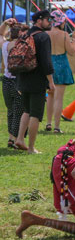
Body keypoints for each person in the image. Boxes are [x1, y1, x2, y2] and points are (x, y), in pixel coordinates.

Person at [14, 9, 55, 154]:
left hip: (23, 78)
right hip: (37, 80)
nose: (50, 22)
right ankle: (31, 148)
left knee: (26, 110)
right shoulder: (43, 37)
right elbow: (46, 62)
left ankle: (19, 138)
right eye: (48, 20)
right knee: (35, 114)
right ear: (39, 21)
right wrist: (51, 82)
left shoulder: (25, 34)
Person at [45, 10, 75, 134]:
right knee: (59, 98)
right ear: (61, 22)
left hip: (48, 64)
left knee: (50, 96)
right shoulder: (64, 35)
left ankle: (48, 123)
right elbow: (71, 52)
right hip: (62, 64)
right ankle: (57, 126)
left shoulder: (45, 34)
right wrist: (74, 39)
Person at [1, 18, 25, 148]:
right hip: (19, 80)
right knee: (19, 111)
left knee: (10, 110)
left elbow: (0, 35)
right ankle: (16, 138)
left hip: (6, 80)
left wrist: (5, 23)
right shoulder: (22, 46)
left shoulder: (5, 45)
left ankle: (11, 137)